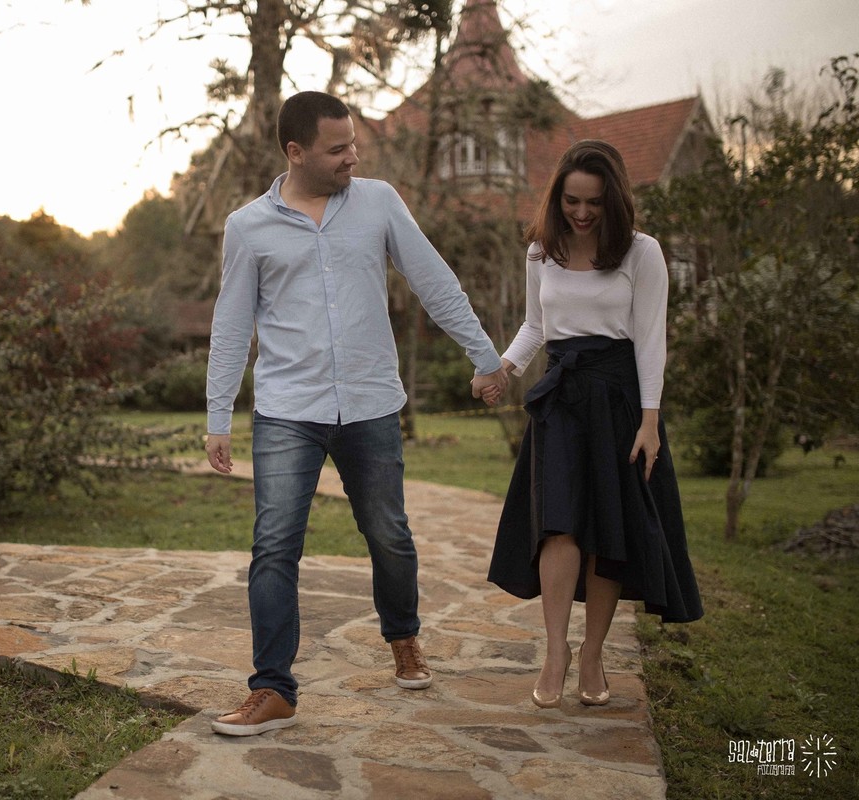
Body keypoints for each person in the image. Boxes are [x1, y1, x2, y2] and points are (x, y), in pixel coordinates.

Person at [205, 91, 507, 736]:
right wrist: (218, 415)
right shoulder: (247, 227)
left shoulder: (379, 202)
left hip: (370, 402)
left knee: (388, 533)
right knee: (274, 545)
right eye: (337, 148)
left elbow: (434, 280)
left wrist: (486, 357)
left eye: (353, 145)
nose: (352, 157)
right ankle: (272, 688)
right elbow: (230, 325)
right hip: (288, 407)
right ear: (296, 152)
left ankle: (403, 637)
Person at [483, 139, 703, 710]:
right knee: (557, 526)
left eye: (594, 203)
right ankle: (555, 651)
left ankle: (593, 653)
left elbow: (650, 341)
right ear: (557, 197)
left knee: (607, 528)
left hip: (619, 400)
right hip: (560, 399)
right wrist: (503, 368)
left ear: (614, 200)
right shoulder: (541, 252)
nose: (582, 213)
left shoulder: (642, 252)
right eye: (572, 201)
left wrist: (650, 422)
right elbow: (536, 325)